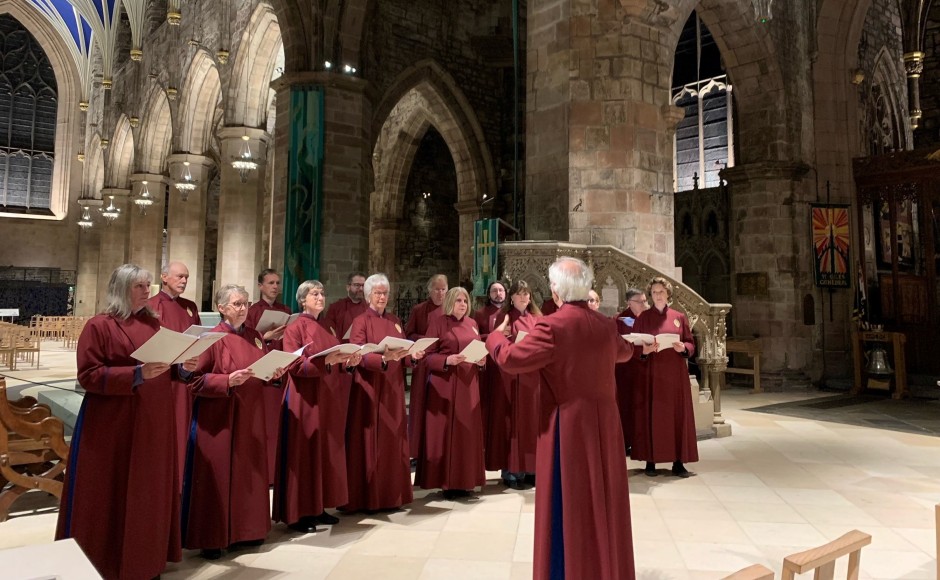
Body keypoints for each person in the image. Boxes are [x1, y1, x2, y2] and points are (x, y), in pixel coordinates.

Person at [485, 256, 636, 580]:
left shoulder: (552, 326)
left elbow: (511, 360)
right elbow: (625, 353)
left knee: (570, 505)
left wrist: (494, 338)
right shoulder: (605, 324)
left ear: (555, 291)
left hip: (567, 428)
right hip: (607, 428)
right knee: (605, 502)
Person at [57, 264, 187, 579]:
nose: (146, 291)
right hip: (113, 425)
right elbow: (87, 375)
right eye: (138, 286)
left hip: (153, 422)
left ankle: (147, 561)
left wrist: (184, 366)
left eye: (147, 285)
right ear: (121, 288)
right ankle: (109, 563)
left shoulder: (155, 326)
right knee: (110, 493)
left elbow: (167, 369)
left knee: (148, 493)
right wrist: (136, 374)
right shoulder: (100, 325)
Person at [182, 284, 287, 560]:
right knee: (217, 474)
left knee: (248, 475)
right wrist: (226, 380)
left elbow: (263, 369)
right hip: (219, 419)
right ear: (221, 308)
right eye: (237, 304)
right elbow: (193, 381)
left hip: (250, 415)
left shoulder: (254, 336)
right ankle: (213, 537)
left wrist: (274, 372)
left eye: (245, 303)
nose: (243, 309)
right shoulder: (210, 338)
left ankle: (247, 531)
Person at [275, 280, 361, 533]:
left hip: (327, 397)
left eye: (322, 293)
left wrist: (348, 360)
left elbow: (333, 362)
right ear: (302, 300)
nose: (320, 297)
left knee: (323, 452)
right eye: (314, 294)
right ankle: (299, 513)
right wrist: (328, 362)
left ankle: (318, 506)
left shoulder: (326, 326)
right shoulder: (295, 327)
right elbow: (293, 364)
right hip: (304, 398)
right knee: (305, 452)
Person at [343, 274, 425, 512]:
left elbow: (403, 350)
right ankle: (367, 498)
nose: (382, 297)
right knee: (370, 441)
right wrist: (382, 359)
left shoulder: (395, 320)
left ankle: (391, 495)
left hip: (392, 388)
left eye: (385, 293)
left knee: (392, 440)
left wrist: (413, 356)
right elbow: (357, 354)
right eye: (378, 293)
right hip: (369, 388)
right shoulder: (360, 321)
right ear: (369, 295)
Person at [416, 287, 486, 499]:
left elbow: (478, 349)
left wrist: (481, 361)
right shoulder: (439, 323)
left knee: (467, 433)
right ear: (449, 303)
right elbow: (426, 357)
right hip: (445, 385)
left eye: (465, 300)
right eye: (458, 300)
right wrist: (446, 360)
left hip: (468, 386)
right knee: (446, 433)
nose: (463, 304)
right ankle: (447, 482)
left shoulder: (472, 324)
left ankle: (466, 481)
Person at [631, 276, 698, 478]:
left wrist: (683, 347)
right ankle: (650, 461)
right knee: (652, 414)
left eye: (661, 292)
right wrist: (645, 350)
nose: (657, 296)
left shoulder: (679, 317)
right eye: (654, 293)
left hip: (675, 375)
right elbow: (633, 345)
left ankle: (678, 462)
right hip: (651, 374)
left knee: (677, 416)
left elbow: (691, 344)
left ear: (668, 293)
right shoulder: (643, 318)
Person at [147, 261, 202, 490]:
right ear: (164, 277)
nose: (184, 281)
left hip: (187, 380)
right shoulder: (151, 306)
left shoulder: (190, 306)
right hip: (162, 381)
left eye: (187, 277)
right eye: (179, 276)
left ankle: (183, 482)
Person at [486, 279, 541, 489]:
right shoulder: (504, 318)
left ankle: (531, 468)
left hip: (532, 378)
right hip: (510, 378)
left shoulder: (537, 319)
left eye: (526, 294)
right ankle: (512, 471)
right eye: (519, 294)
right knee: (512, 424)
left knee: (531, 423)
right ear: (512, 297)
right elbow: (497, 342)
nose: (523, 298)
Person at [245, 268, 291, 484]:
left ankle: (278, 471)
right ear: (260, 286)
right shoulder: (253, 311)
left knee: (279, 424)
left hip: (281, 369)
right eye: (271, 283)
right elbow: (248, 341)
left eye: (277, 282)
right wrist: (267, 337)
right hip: (262, 373)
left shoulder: (285, 309)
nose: (275, 287)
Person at [405, 274, 448, 459]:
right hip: (423, 363)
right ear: (429, 291)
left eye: (443, 289)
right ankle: (417, 450)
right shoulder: (419, 309)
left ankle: (439, 448)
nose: (440, 293)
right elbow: (408, 334)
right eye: (436, 289)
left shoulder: (451, 309)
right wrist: (423, 339)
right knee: (420, 406)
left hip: (444, 364)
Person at [615, 288, 649, 456]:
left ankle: (641, 442)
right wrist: (641, 351)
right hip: (626, 370)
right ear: (629, 303)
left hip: (645, 367)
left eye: (645, 300)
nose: (645, 304)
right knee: (627, 407)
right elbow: (622, 346)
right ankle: (625, 442)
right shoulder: (621, 320)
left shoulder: (648, 317)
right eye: (640, 302)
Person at [472, 280, 506, 449]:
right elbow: (475, 337)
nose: (498, 293)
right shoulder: (480, 314)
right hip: (487, 363)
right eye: (494, 290)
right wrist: (494, 335)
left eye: (501, 290)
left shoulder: (510, 313)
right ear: (488, 294)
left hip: (507, 363)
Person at [322, 272, 368, 341]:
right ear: (348, 287)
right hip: (342, 348)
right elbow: (329, 331)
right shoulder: (335, 307)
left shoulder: (369, 308)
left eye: (363, 285)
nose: (361, 289)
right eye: (357, 285)